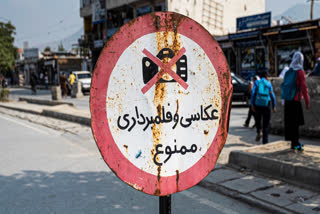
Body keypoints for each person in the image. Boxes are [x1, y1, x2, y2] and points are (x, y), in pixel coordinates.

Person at [281, 51, 310, 151]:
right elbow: (304, 88)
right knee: (296, 124)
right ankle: (296, 144)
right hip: (295, 101)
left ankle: (294, 143)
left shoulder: (289, 70)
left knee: (291, 123)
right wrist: (307, 101)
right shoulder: (300, 72)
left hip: (288, 101)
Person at [251, 71, 276, 144]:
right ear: (266, 76)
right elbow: (272, 95)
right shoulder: (268, 83)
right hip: (266, 104)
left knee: (258, 120)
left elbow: (253, 93)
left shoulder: (257, 82)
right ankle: (265, 141)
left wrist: (252, 104)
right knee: (266, 123)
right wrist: (274, 105)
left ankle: (259, 131)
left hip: (257, 104)